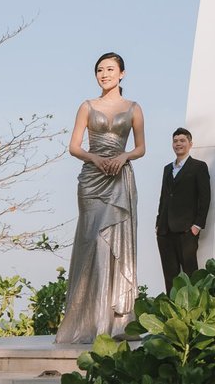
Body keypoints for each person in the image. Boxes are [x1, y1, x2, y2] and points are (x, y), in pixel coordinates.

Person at [54, 52, 146, 343]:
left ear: (122, 73)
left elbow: (141, 148)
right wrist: (94, 158)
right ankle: (88, 322)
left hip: (120, 179)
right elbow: (74, 146)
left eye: (110, 69)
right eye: (99, 70)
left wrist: (125, 156)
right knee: (91, 241)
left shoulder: (133, 108)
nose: (104, 74)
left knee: (115, 247)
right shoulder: (87, 106)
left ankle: (116, 323)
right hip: (92, 181)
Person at [155, 127, 210, 292]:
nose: (178, 144)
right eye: (175, 141)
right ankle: (171, 311)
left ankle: (193, 310)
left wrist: (197, 226)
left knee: (190, 273)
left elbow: (205, 197)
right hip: (165, 230)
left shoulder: (198, 167)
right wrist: (158, 223)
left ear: (190, 144)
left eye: (182, 141)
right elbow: (164, 197)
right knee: (169, 275)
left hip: (186, 230)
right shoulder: (167, 169)